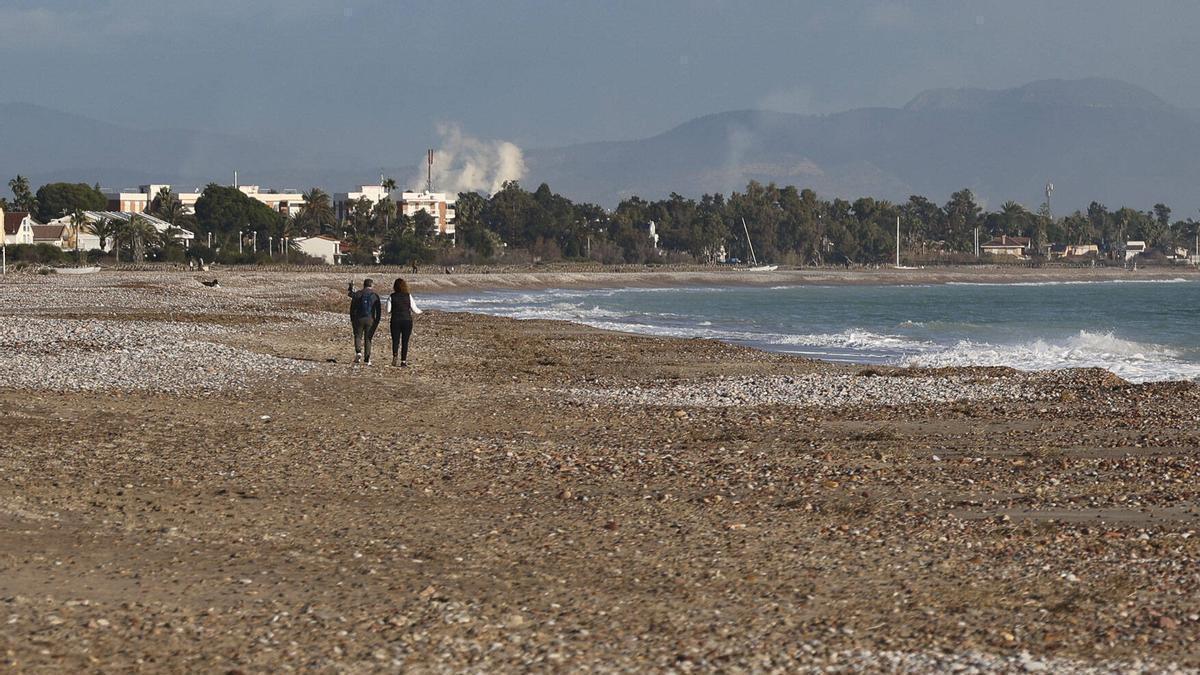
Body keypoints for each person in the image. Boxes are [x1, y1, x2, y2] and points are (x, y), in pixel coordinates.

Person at [389, 277, 422, 367]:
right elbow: (415, 309)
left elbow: (388, 310)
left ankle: (395, 355)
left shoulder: (392, 296)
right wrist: (422, 312)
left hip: (395, 320)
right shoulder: (408, 295)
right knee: (405, 341)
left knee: (395, 340)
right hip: (407, 320)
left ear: (395, 287)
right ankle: (403, 361)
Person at [347, 278, 381, 365]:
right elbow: (378, 310)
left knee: (358, 336)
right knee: (368, 338)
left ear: (364, 285)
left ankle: (358, 352)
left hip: (358, 319)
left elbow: (352, 306)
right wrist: (377, 321)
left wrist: (352, 318)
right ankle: (367, 359)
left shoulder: (358, 293)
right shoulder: (374, 295)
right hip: (370, 319)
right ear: (371, 285)